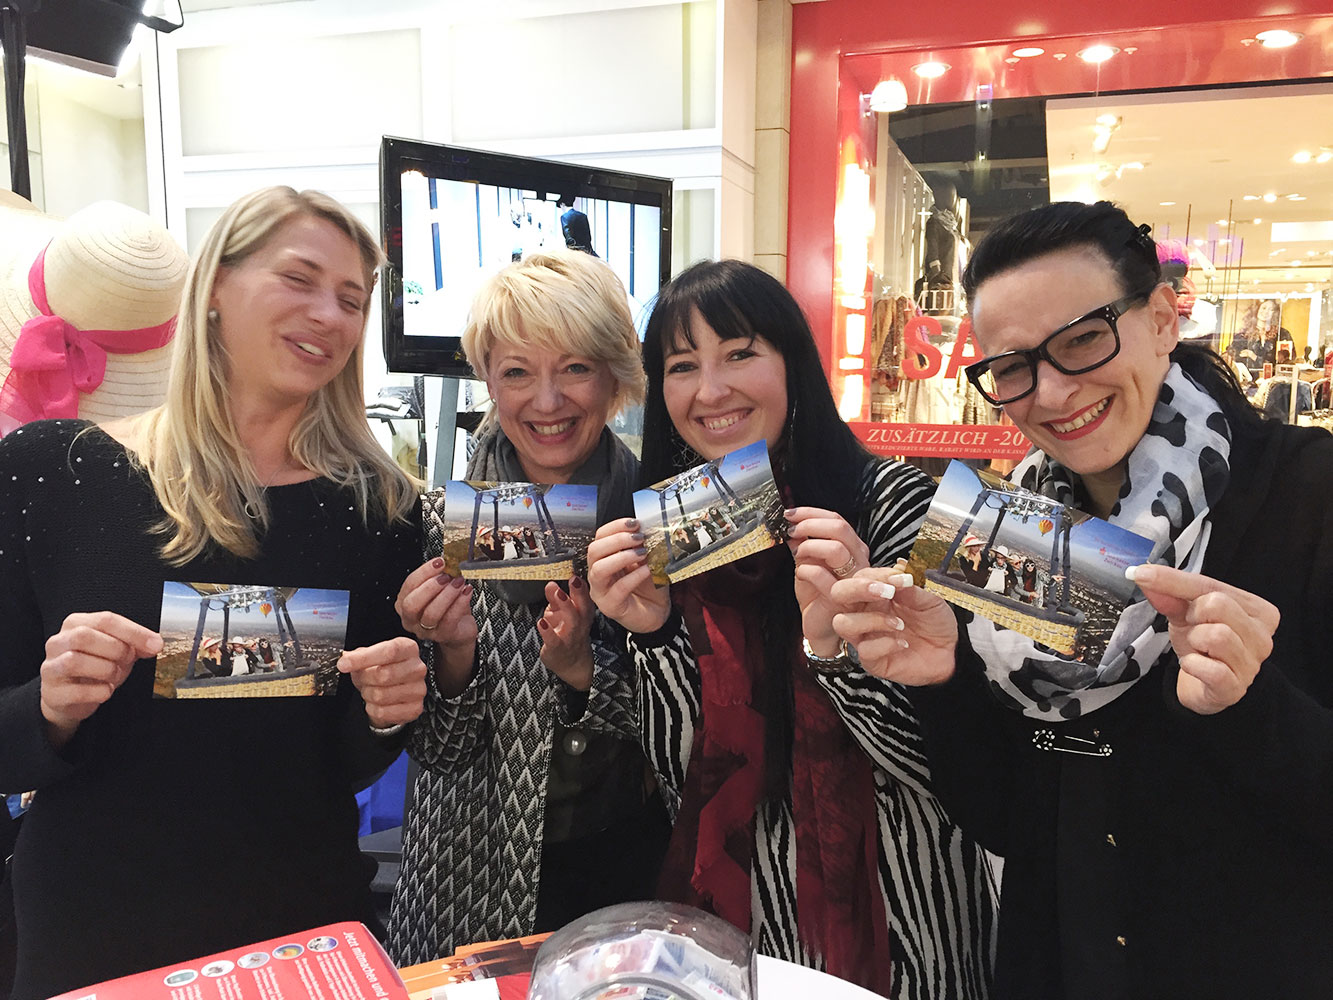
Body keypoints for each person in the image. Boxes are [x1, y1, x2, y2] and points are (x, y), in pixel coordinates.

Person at [829, 200, 1333, 999]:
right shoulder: (1013, 528)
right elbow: (1006, 817)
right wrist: (945, 677)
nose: (1053, 392)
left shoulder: (1304, 495)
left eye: (1081, 340)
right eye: (1012, 367)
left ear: (1161, 319)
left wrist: (1252, 706)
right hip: (1061, 965)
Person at [0, 186, 428, 1000]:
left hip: (295, 924)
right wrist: (49, 708)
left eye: (351, 299)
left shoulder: (378, 510)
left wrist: (386, 712)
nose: (329, 314)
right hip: (94, 928)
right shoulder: (51, 474)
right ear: (215, 289)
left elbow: (339, 761)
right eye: (298, 278)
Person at [586, 260, 996, 999]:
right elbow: (687, 776)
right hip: (742, 925)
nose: (711, 390)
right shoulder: (673, 535)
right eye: (682, 367)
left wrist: (831, 648)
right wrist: (652, 634)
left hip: (904, 920)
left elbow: (950, 764)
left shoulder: (896, 505)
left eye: (740, 353)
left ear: (792, 363)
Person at [388, 250, 669, 963]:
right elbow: (439, 752)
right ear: (488, 380)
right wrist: (453, 652)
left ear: (615, 376)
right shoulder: (438, 525)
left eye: (575, 367)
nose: (547, 402)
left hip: (617, 865)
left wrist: (585, 672)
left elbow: (688, 733)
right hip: (466, 875)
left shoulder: (656, 523)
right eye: (516, 372)